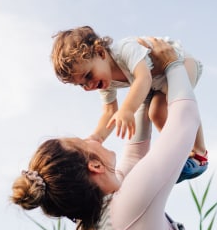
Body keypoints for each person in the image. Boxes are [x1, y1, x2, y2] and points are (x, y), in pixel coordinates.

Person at [12, 38, 210, 230]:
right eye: (83, 142)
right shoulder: (129, 209)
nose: (91, 138)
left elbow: (136, 152)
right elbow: (185, 122)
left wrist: (145, 86)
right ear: (94, 165)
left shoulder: (92, 226)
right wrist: (172, 64)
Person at [50, 25, 208, 183]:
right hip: (158, 81)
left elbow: (143, 78)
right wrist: (96, 138)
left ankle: (199, 154)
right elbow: (109, 111)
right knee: (155, 114)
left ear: (100, 52)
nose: (89, 86)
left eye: (88, 76)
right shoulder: (104, 81)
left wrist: (127, 110)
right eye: (82, 84)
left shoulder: (125, 49)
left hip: (180, 62)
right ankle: (181, 154)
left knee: (166, 109)